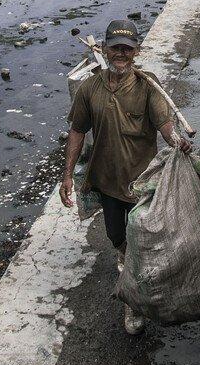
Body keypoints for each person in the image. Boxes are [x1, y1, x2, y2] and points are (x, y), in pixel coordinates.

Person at [60, 17, 192, 334]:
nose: (121, 54)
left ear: (136, 52)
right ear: (104, 49)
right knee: (117, 237)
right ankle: (130, 264)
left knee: (137, 243)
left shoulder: (148, 86)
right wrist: (67, 177)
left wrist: (177, 141)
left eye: (127, 49)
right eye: (116, 48)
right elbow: (77, 133)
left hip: (143, 184)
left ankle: (134, 305)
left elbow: (165, 125)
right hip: (107, 181)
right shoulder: (89, 89)